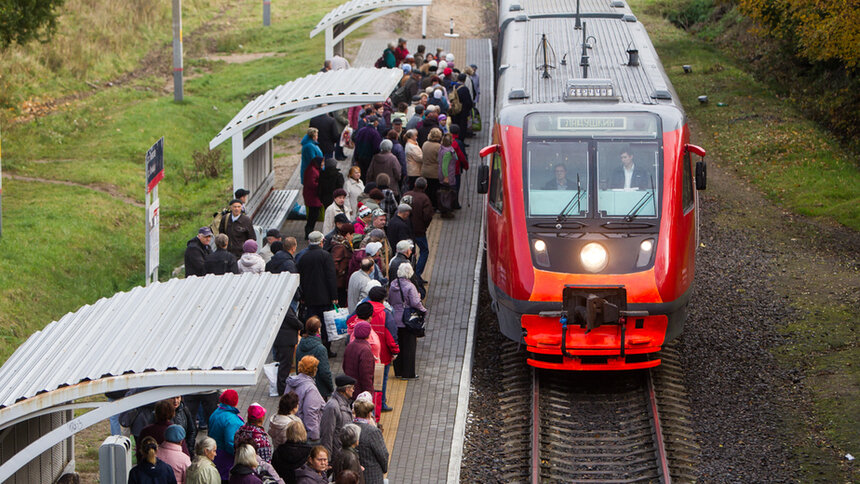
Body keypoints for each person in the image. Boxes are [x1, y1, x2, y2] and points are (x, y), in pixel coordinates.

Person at [296, 231, 338, 356]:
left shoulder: (303, 256)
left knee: (311, 323)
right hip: (325, 297)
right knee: (325, 325)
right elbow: (331, 277)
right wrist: (334, 296)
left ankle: (311, 348)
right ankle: (325, 349)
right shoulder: (325, 256)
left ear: (309, 242)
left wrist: (302, 296)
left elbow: (300, 278)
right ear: (321, 241)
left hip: (309, 298)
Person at [390, 262, 427, 380]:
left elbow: (390, 300)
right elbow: (415, 302)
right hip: (407, 320)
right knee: (409, 347)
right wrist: (423, 310)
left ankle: (398, 371)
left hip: (395, 319)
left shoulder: (393, 284)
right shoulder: (410, 287)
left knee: (398, 345)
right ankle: (408, 373)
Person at [285, 356, 325, 443]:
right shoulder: (310, 388)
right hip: (305, 433)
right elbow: (311, 412)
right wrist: (314, 436)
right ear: (314, 370)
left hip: (291, 429)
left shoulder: (291, 382)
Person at [208, 389, 245, 481]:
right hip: (226, 459)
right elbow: (230, 443)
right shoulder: (232, 420)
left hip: (215, 453)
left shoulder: (216, 412)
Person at [294, 317, 334, 400]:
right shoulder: (321, 349)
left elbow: (298, 367)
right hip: (319, 389)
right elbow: (325, 372)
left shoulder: (300, 344)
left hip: (303, 387)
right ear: (318, 330)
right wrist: (331, 387)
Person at [319, 374, 356, 460]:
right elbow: (327, 433)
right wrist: (327, 459)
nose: (353, 391)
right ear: (347, 389)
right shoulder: (332, 407)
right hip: (336, 455)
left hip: (343, 453)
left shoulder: (345, 403)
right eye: (353, 388)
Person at [402, 177, 433, 278]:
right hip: (419, 231)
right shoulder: (425, 199)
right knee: (424, 250)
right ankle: (417, 274)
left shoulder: (406, 195)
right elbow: (427, 216)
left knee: (409, 252)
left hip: (406, 229)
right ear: (426, 186)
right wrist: (424, 226)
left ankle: (408, 273)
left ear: (414, 184)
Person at [352, 400, 388, 484]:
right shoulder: (373, 432)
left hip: (354, 475)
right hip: (372, 476)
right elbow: (383, 454)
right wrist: (384, 468)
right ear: (369, 414)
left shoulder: (348, 428)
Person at [342, 320, 376, 399]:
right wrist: (369, 393)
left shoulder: (350, 346)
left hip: (350, 389)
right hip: (361, 393)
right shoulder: (365, 350)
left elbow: (344, 366)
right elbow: (366, 375)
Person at [353, 116, 382, 181]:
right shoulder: (375, 133)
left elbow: (356, 144)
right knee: (369, 175)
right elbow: (377, 148)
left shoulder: (361, 131)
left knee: (362, 175)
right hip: (370, 158)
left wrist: (356, 157)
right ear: (375, 122)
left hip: (360, 157)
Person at [302, 157, 324, 240]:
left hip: (311, 196)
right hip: (312, 196)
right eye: (322, 163)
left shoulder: (312, 169)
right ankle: (308, 232)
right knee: (313, 215)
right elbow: (312, 184)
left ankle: (309, 231)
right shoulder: (313, 171)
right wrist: (321, 185)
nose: (322, 165)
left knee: (313, 214)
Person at [420, 127, 443, 208]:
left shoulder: (425, 144)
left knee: (427, 190)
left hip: (425, 170)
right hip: (435, 172)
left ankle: (427, 205)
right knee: (435, 190)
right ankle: (435, 206)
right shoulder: (439, 147)